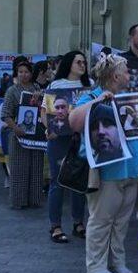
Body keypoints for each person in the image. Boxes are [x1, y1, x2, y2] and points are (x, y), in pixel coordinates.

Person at [69, 54, 138, 273]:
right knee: (102, 220)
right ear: (115, 75)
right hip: (108, 171)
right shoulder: (91, 96)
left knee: (121, 222)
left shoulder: (131, 96)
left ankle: (117, 262)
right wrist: (98, 101)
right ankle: (95, 265)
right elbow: (74, 121)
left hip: (132, 167)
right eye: (127, 71)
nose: (129, 74)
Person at [1, 60, 45, 209]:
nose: (23, 75)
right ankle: (19, 201)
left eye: (26, 72)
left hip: (36, 136)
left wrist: (40, 100)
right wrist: (15, 128)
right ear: (16, 73)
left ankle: (35, 200)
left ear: (31, 73)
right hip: (19, 135)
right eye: (20, 72)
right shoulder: (12, 91)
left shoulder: (37, 88)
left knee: (36, 168)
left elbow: (45, 110)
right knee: (19, 169)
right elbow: (5, 114)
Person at [44, 92, 85, 244]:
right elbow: (44, 113)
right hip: (57, 144)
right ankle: (55, 226)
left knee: (77, 182)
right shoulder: (54, 87)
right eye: (58, 107)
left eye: (64, 107)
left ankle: (78, 223)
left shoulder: (84, 86)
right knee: (57, 183)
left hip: (75, 141)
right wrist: (49, 129)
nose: (61, 110)